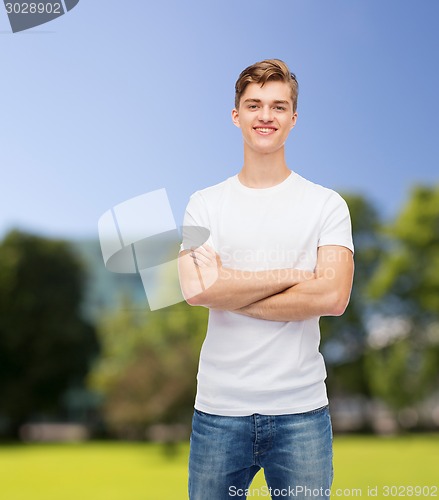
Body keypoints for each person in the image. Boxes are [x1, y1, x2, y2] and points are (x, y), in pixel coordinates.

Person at [178, 59, 354, 500]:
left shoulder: (327, 205)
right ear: (235, 115)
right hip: (219, 410)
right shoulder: (204, 204)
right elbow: (196, 288)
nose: (266, 116)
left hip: (301, 412)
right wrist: (294, 278)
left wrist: (227, 289)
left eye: (278, 106)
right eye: (254, 105)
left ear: (294, 118)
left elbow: (333, 295)